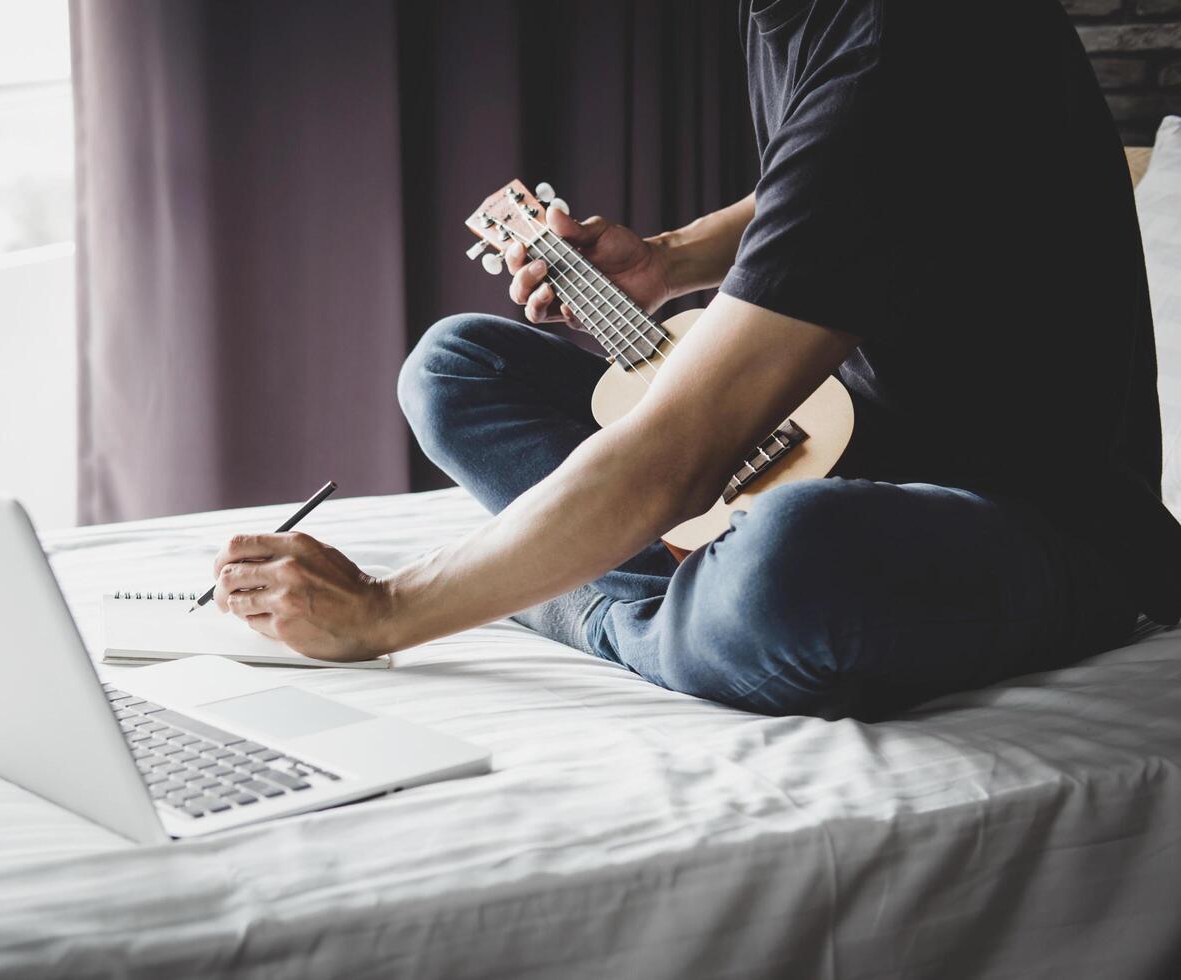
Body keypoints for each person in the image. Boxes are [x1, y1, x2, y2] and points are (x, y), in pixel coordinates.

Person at [211, 0, 1181, 721]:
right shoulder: (797, 17)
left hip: (1043, 522)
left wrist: (389, 609)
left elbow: (678, 455)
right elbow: (845, 189)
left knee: (786, 563)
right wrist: (671, 259)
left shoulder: (914, 38)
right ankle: (655, 598)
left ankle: (596, 607)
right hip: (869, 432)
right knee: (456, 366)